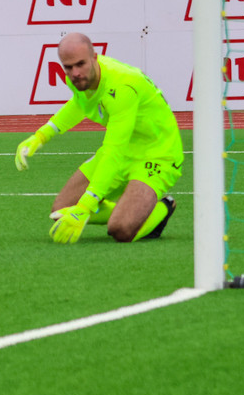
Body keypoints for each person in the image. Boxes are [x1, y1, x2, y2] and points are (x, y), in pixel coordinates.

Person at [15, 32, 183, 244]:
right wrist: (41, 136)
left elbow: (114, 150)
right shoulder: (78, 79)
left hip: (157, 154)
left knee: (121, 230)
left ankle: (164, 207)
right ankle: (124, 210)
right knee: (61, 210)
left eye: (80, 64)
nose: (75, 73)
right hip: (124, 149)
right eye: (68, 67)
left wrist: (85, 206)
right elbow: (79, 104)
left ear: (95, 58)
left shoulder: (123, 87)